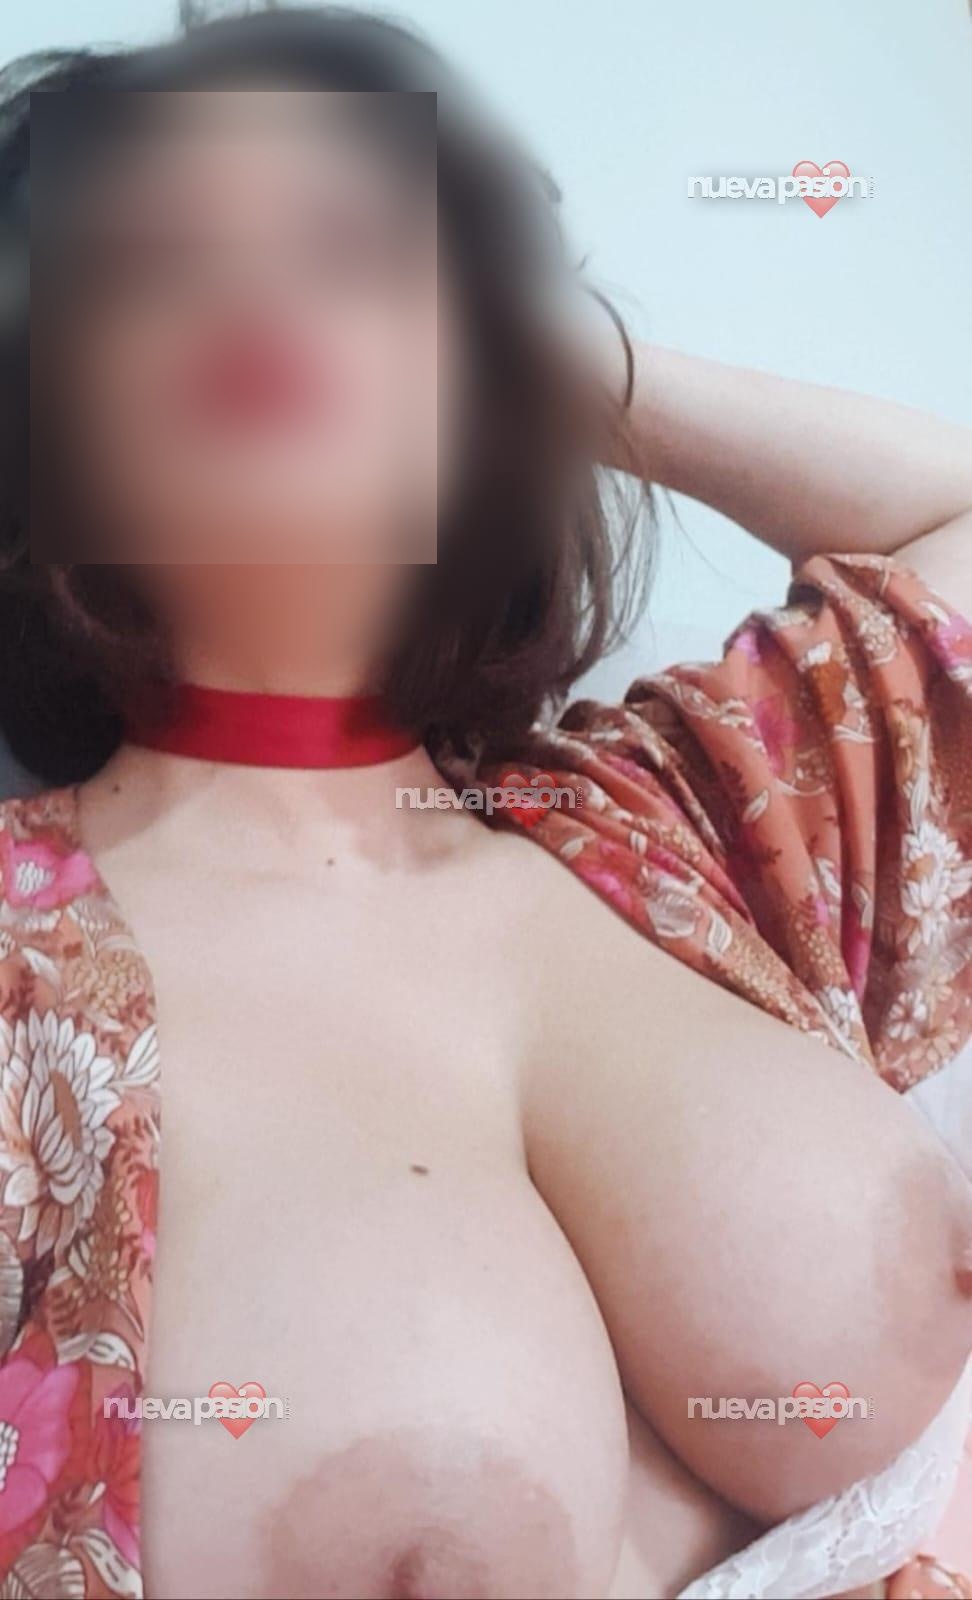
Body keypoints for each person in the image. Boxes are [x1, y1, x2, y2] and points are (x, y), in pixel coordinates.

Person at [1, 9, 971, 1598]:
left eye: (352, 248)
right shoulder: (17, 973)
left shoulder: (674, 822)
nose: (258, 292)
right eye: (151, 254)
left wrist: (538, 350)